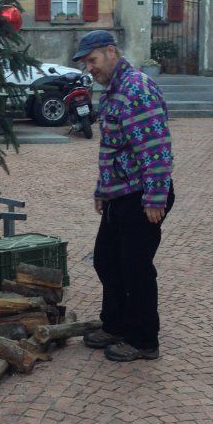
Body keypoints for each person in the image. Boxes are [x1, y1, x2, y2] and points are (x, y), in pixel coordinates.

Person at [72, 30, 174, 362]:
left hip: (142, 194)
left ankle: (144, 341)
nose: (90, 68)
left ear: (111, 52)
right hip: (120, 194)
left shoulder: (136, 90)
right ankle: (116, 325)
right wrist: (102, 190)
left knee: (136, 268)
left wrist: (155, 197)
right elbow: (112, 150)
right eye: (86, 63)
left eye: (93, 60)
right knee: (106, 260)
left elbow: (156, 149)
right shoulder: (113, 92)